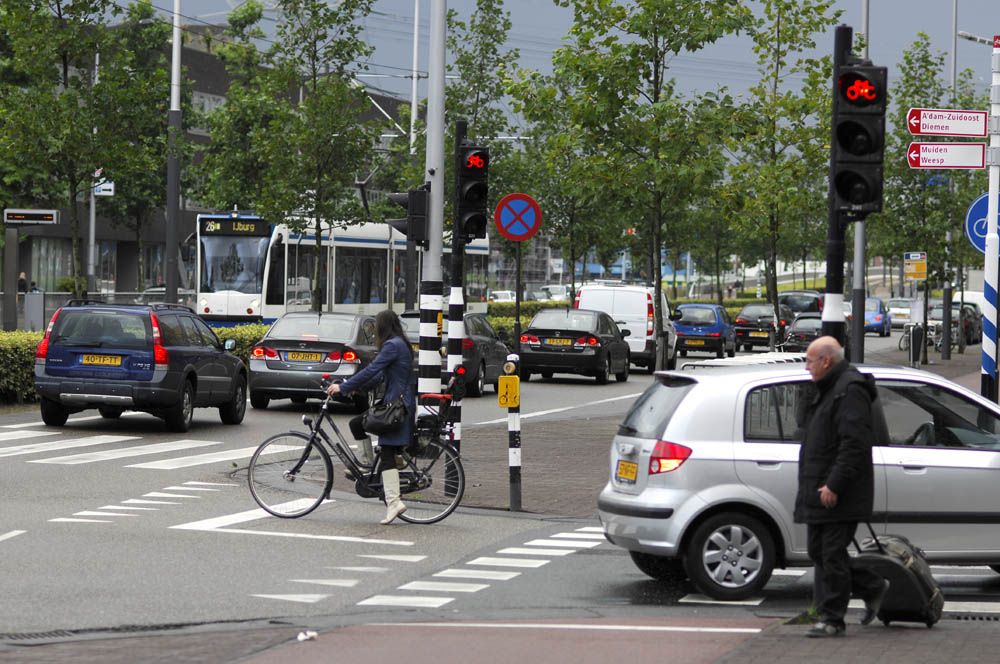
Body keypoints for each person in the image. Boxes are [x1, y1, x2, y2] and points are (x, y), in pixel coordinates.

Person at [795, 336, 889, 638]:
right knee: (818, 552)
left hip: (840, 491)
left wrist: (835, 483)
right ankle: (873, 586)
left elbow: (854, 443)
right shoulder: (826, 389)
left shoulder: (849, 391)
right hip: (819, 487)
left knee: (832, 554)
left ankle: (833, 619)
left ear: (826, 361)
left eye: (810, 361)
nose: (806, 367)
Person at [326, 309, 414, 524]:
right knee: (357, 423)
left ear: (382, 327)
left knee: (386, 452)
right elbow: (378, 376)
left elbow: (372, 369)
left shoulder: (392, 346)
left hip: (395, 408)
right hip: (398, 404)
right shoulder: (400, 344)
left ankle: (394, 502)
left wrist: (344, 386)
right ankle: (365, 464)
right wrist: (357, 389)